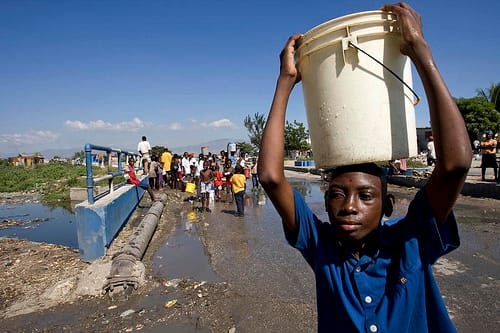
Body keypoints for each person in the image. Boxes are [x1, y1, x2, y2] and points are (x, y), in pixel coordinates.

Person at [257, 3, 471, 332]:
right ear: (326, 203)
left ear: (387, 205)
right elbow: (271, 177)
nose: (349, 207)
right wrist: (286, 80)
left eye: (366, 196)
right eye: (337, 195)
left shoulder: (411, 241)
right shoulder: (322, 246)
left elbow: (455, 166)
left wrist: (419, 51)